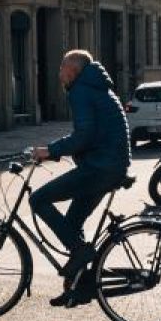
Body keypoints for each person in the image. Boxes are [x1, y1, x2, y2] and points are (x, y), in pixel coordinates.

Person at [29, 49, 131, 307]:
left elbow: (83, 135)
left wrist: (49, 151)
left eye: (62, 67)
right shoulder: (96, 86)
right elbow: (91, 133)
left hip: (100, 167)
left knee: (38, 199)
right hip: (110, 165)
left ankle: (81, 253)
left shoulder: (80, 91)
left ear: (72, 70)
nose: (59, 72)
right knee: (72, 224)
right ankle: (77, 287)